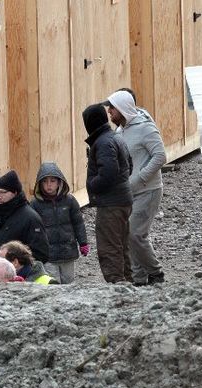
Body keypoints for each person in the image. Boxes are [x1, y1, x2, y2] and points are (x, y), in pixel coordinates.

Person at [105, 90, 167, 286]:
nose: (109, 112)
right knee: (128, 235)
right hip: (128, 193)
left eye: (112, 108)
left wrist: (140, 178)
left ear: (122, 109)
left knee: (135, 234)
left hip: (148, 190)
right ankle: (139, 279)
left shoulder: (145, 128)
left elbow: (160, 156)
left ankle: (156, 273)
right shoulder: (119, 131)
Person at [82, 103, 133, 283]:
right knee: (122, 245)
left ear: (89, 123)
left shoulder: (103, 142)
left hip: (111, 204)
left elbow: (108, 173)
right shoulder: (115, 137)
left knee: (109, 247)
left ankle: (117, 286)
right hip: (123, 200)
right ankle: (127, 282)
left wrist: (91, 184)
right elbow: (129, 166)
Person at [30, 162, 89, 284]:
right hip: (48, 255)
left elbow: (78, 223)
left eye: (52, 181)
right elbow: (32, 229)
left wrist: (83, 242)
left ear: (59, 182)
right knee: (54, 284)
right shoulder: (35, 204)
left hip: (68, 251)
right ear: (39, 184)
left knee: (69, 281)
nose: (49, 185)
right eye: (45, 181)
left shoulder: (70, 200)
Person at [0, 170, 50, 264]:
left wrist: (19, 267)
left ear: (15, 193)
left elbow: (41, 253)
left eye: (2, 192)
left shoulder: (30, 218)